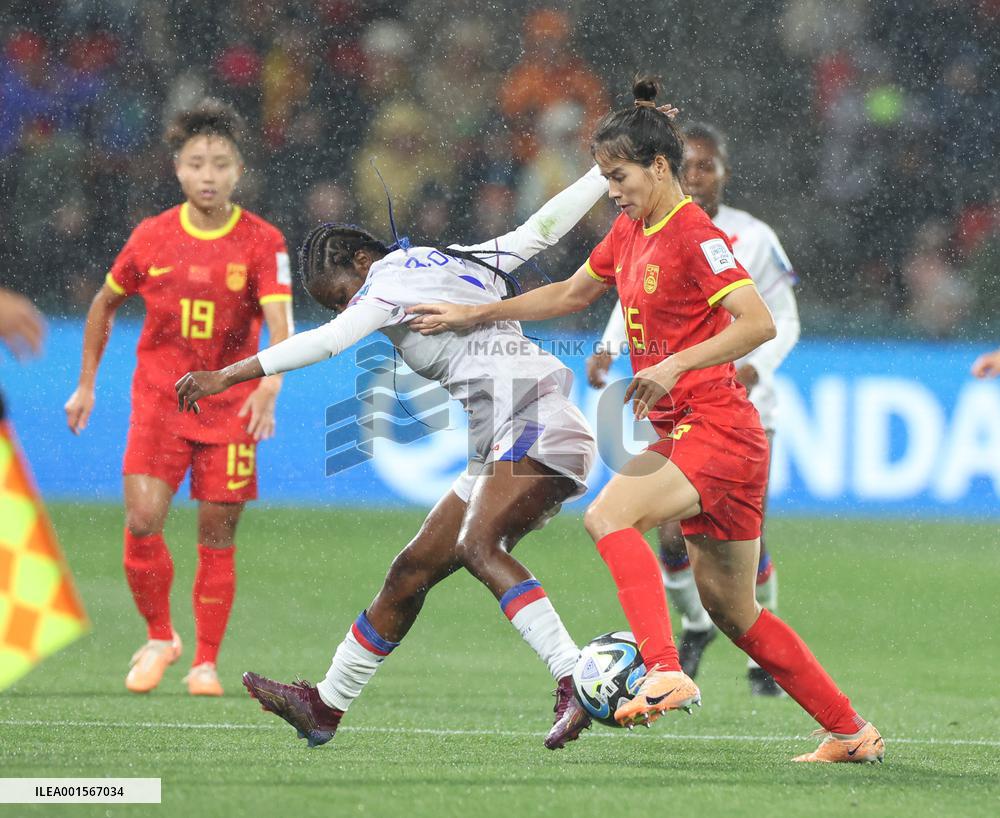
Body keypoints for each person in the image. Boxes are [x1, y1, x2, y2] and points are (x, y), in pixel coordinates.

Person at [408, 77, 884, 764]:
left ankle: (663, 668)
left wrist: (669, 366)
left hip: (717, 426)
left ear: (660, 167)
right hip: (704, 434)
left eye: (619, 175)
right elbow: (573, 290)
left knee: (608, 516)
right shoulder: (632, 230)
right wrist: (473, 313)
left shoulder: (695, 233)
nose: (611, 190)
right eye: (605, 177)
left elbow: (755, 323)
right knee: (736, 613)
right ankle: (850, 732)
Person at [174, 162, 616, 750]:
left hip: (537, 421)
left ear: (361, 262)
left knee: (480, 546)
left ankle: (574, 679)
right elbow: (540, 229)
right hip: (502, 439)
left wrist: (227, 374)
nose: (346, 310)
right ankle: (325, 706)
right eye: (337, 306)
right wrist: (599, 172)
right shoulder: (455, 256)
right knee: (410, 572)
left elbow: (328, 342)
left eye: (342, 296)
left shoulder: (382, 286)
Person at [64, 99, 294, 697]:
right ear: (178, 170)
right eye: (197, 163)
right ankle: (162, 636)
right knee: (143, 521)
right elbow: (103, 305)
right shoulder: (152, 236)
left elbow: (281, 321)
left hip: (230, 406)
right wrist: (86, 383)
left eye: (220, 163)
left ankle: (205, 662)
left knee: (216, 535)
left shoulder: (263, 241)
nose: (209, 175)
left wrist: (270, 382)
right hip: (160, 404)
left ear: (239, 170)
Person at [586, 122, 800, 695]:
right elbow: (637, 297)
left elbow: (777, 317)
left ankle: (753, 661)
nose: (700, 175)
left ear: (723, 171)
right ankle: (695, 626)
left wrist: (759, 365)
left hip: (741, 403)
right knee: (674, 538)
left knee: (743, 542)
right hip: (676, 404)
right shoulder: (644, 224)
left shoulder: (749, 236)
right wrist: (610, 346)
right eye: (694, 165)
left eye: (709, 166)